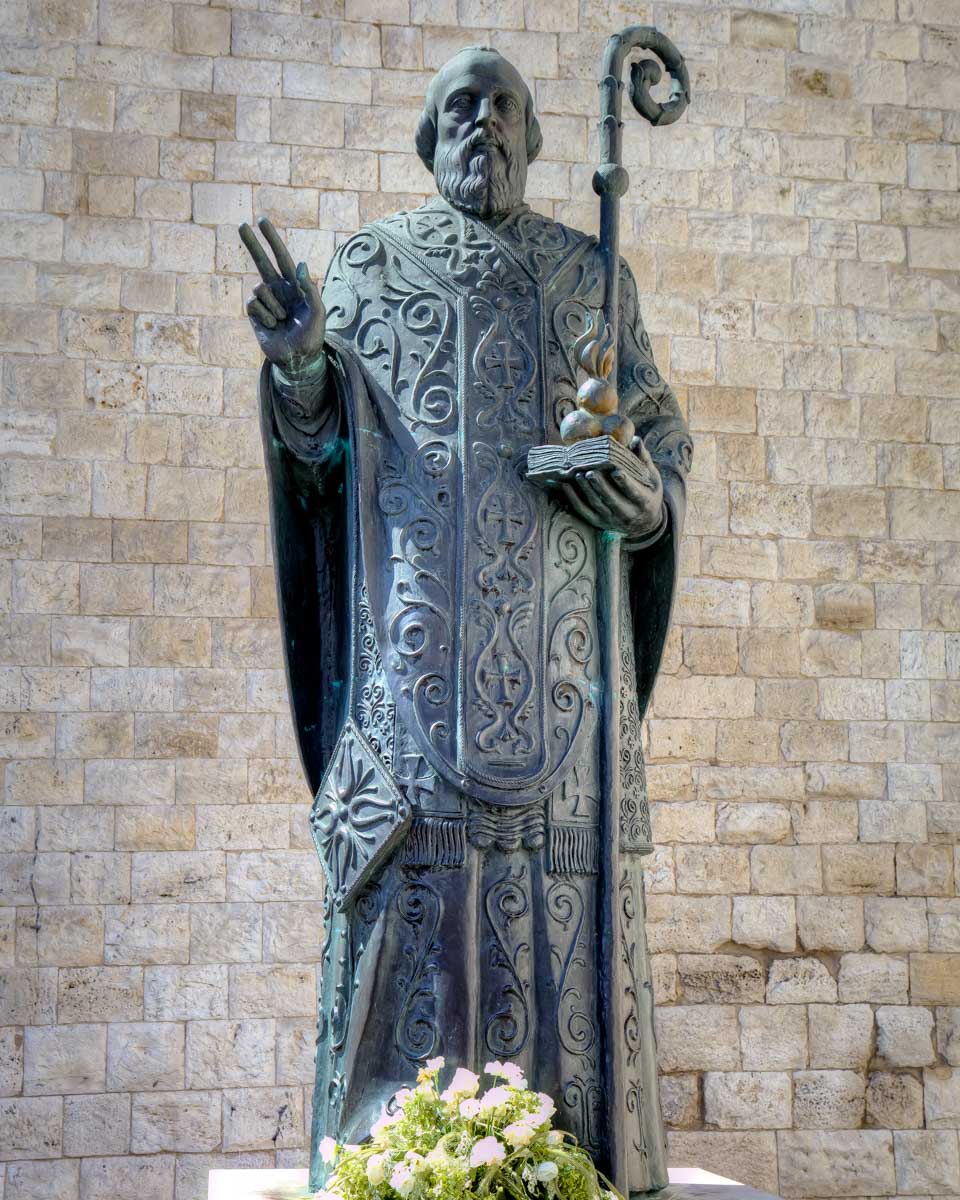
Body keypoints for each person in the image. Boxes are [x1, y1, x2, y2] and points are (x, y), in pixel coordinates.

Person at [241, 45, 692, 1195]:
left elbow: (658, 444)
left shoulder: (596, 278)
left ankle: (571, 1160)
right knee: (418, 929)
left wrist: (642, 493)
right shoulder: (369, 268)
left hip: (564, 688)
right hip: (412, 692)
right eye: (459, 104)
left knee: (560, 927)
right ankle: (399, 1167)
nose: (480, 122)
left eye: (503, 106)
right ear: (426, 134)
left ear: (534, 137)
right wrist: (300, 370)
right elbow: (321, 457)